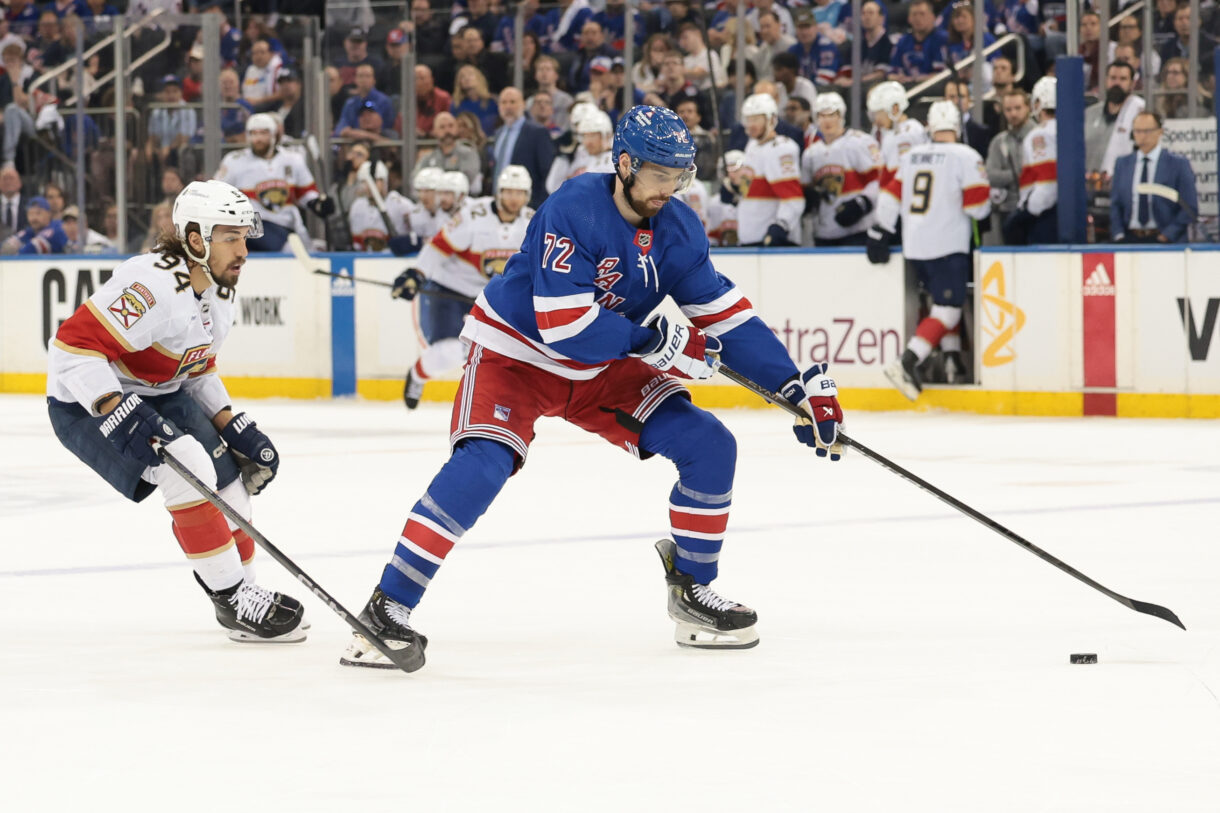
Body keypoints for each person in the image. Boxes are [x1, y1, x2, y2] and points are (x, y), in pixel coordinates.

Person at [339, 106, 844, 672]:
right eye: (659, 174)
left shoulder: (679, 228)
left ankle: (693, 590)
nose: (669, 188)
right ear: (624, 164)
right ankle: (386, 607)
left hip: (603, 362)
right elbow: (564, 324)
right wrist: (654, 342)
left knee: (710, 445)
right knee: (483, 464)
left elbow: (726, 315)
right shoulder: (575, 205)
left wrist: (793, 388)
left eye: (679, 175)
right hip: (518, 353)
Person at [45, 180, 307, 642]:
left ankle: (246, 593)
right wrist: (115, 408)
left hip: (158, 392)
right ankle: (230, 597)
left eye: (244, 237)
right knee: (186, 465)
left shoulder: (219, 291)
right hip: (84, 400)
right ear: (195, 240)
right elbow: (71, 349)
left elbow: (196, 368)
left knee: (229, 479)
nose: (243, 251)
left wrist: (230, 422)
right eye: (230, 238)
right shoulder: (151, 285)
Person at [868, 101, 990, 398]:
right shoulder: (967, 155)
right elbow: (977, 208)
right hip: (948, 245)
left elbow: (889, 198)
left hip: (915, 247)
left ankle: (951, 357)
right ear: (956, 126)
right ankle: (908, 360)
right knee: (949, 309)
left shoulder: (911, 156)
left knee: (940, 303)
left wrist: (880, 230)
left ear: (930, 127)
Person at [391, 165, 535, 411]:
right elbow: (438, 245)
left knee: (506, 354)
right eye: (509, 192)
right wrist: (417, 274)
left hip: (494, 297)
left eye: (519, 193)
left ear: (527, 195)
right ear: (499, 192)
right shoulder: (473, 216)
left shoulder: (533, 222)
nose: (514, 198)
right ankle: (417, 375)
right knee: (450, 351)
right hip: (453, 289)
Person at [213, 113, 334, 251]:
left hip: (286, 225)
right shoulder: (234, 161)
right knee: (289, 250)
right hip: (252, 225)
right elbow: (215, 194)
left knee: (308, 251)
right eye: (253, 133)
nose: (258, 139)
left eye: (263, 133)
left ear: (274, 135)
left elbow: (305, 193)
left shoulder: (293, 159)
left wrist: (317, 203)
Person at [802, 92, 881, 246]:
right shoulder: (810, 154)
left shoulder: (860, 142)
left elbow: (879, 180)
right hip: (824, 232)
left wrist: (861, 203)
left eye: (832, 115)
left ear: (841, 116)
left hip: (857, 231)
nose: (827, 120)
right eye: (822, 115)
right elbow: (806, 191)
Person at [1110, 111, 1197, 243]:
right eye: (1137, 131)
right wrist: (1119, 235)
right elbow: (1115, 204)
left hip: (1165, 240)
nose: (1142, 136)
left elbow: (1189, 207)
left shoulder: (1178, 164)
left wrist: (1167, 236)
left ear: (1160, 132)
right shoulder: (1122, 164)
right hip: (1129, 239)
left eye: (1147, 131)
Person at [738, 92, 804, 246]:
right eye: (748, 119)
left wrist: (781, 225)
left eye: (756, 119)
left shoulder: (781, 149)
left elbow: (793, 198)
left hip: (772, 241)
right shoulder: (752, 146)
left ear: (771, 120)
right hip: (750, 237)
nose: (751, 124)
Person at [1003, 76, 1058, 245]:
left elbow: (1047, 181)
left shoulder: (1040, 134)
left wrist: (1029, 210)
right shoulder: (1068, 128)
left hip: (1044, 215)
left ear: (1038, 102)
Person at [868, 80, 926, 236]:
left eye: (879, 113)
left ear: (894, 109)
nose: (876, 120)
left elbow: (897, 179)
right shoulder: (905, 131)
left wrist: (886, 219)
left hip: (902, 211)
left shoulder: (903, 135)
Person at [491, 86, 556, 209]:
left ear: (523, 104)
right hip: (500, 205)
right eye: (504, 102)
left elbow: (547, 172)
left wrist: (539, 207)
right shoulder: (498, 134)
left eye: (513, 102)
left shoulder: (538, 132)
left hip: (529, 205)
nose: (508, 106)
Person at [985, 89, 1034, 244]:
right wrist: (1017, 175)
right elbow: (990, 175)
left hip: (1037, 208)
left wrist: (1008, 176)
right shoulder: (998, 141)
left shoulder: (1039, 137)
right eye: (1008, 109)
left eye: (1018, 108)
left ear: (1028, 107)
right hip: (1008, 210)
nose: (1013, 114)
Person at [1084, 61, 1145, 180]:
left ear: (1132, 84)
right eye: (1113, 78)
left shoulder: (1140, 112)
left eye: (1123, 79)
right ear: (1106, 80)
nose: (1117, 83)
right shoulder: (1090, 113)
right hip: (1090, 182)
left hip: (1125, 181)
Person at [348, 159, 416, 251]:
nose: (368, 186)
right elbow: (357, 243)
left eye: (375, 180)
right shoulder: (357, 206)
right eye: (364, 182)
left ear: (384, 181)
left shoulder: (400, 204)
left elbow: (415, 234)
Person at [545, 109, 615, 194]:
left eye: (593, 135)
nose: (588, 142)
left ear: (607, 135)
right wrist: (563, 158)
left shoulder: (614, 161)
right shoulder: (581, 154)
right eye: (585, 136)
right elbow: (553, 187)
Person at [415, 111, 482, 191]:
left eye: (451, 126)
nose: (447, 130)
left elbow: (465, 180)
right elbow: (416, 181)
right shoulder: (428, 158)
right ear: (434, 131)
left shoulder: (468, 154)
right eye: (442, 127)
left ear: (456, 128)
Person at [889, 0, 948, 86]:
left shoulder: (942, 39)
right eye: (914, 14)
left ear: (932, 17)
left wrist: (915, 79)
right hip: (907, 86)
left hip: (933, 87)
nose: (917, 18)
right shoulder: (902, 42)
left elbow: (942, 74)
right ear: (909, 18)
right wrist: (898, 78)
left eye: (922, 14)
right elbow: (891, 74)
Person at [0, 195, 67, 254]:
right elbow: (6, 246)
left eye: (38, 213)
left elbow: (32, 249)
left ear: (49, 214)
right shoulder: (30, 231)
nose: (34, 218)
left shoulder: (57, 227)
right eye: (30, 214)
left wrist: (14, 252)